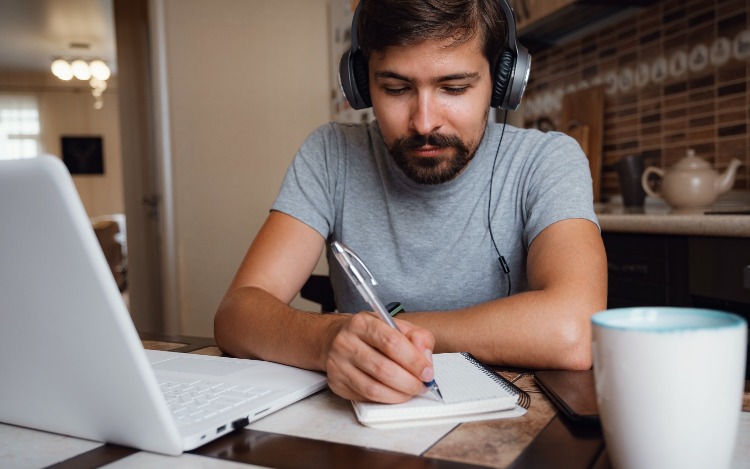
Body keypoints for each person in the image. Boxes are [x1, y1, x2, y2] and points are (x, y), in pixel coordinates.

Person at [214, 0, 607, 404]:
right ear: (362, 85)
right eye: (396, 89)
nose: (424, 122)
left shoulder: (547, 160)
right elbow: (236, 314)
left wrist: (382, 333)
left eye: (454, 88)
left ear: (502, 80)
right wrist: (329, 338)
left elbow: (573, 331)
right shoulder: (330, 153)